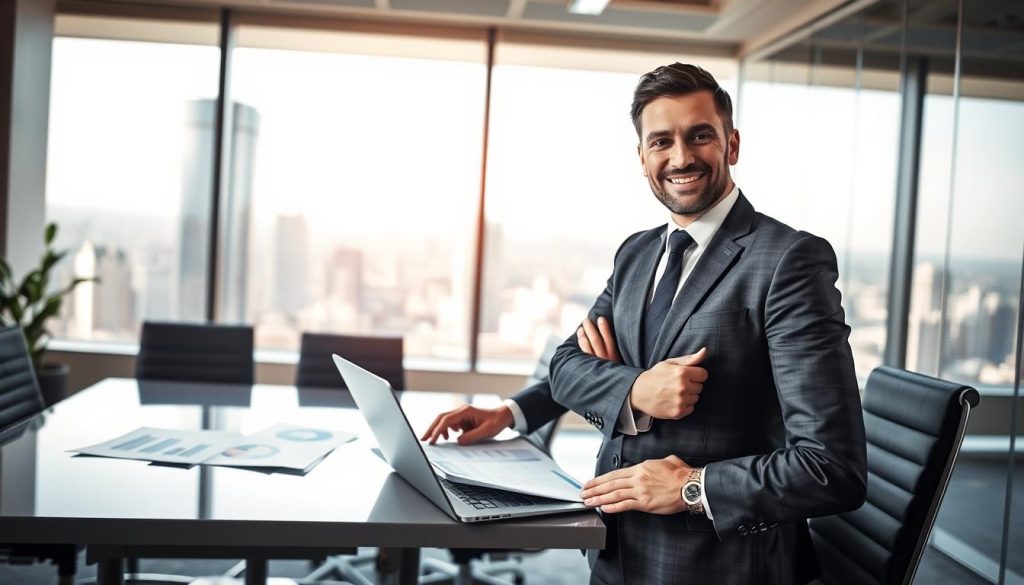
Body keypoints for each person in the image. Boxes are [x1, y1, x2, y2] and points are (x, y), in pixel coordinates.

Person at [422, 63, 867, 585]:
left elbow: (831, 469)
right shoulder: (637, 253)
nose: (681, 157)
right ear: (641, 157)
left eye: (700, 135)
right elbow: (566, 366)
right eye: (662, 141)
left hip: (715, 567)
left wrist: (691, 486)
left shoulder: (788, 260)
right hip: (611, 549)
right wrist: (611, 392)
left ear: (732, 144)